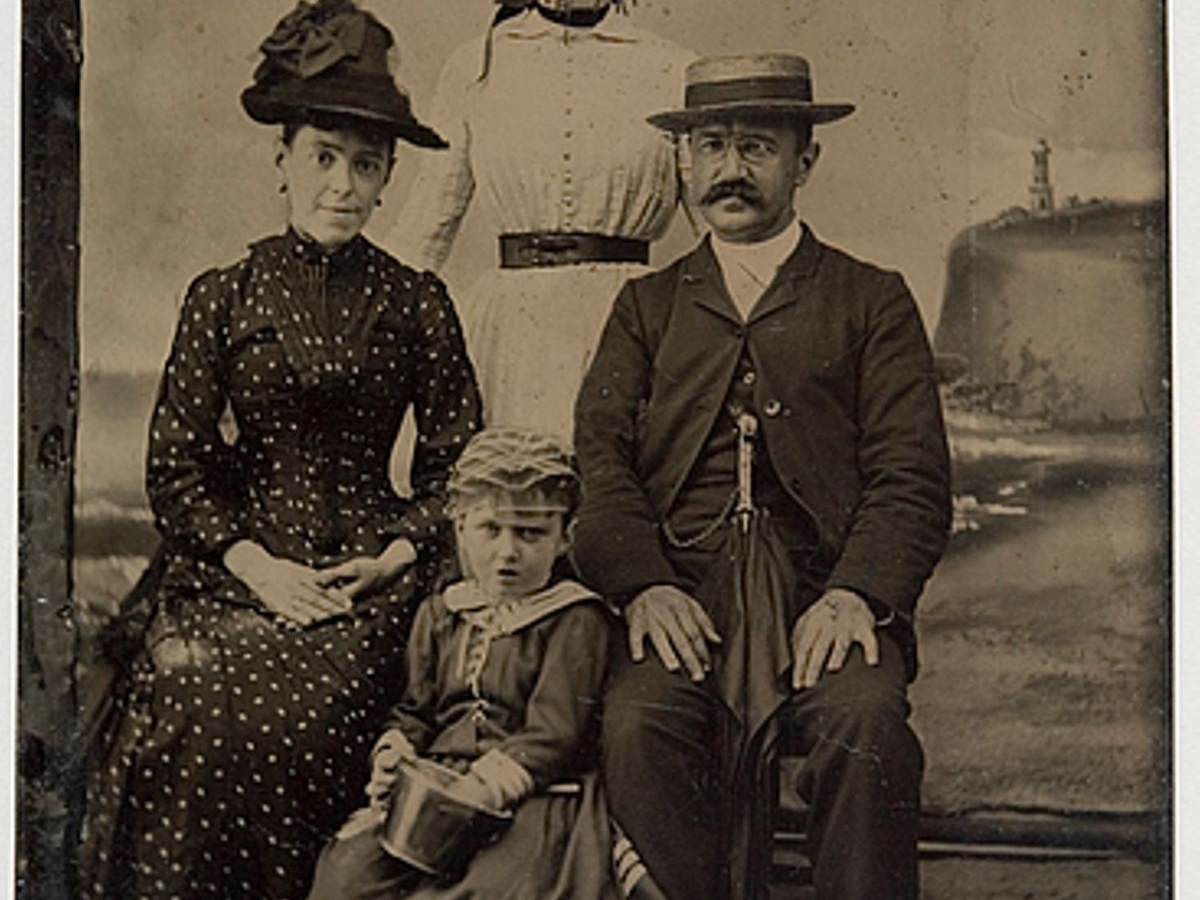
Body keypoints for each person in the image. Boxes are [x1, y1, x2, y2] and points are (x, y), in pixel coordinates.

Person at [80, 3, 482, 897]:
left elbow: (457, 467)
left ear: (387, 180)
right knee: (186, 693)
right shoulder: (222, 295)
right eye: (323, 158)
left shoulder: (418, 303)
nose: (342, 185)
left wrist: (395, 556)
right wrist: (257, 567)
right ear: (283, 159)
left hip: (365, 582)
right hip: (237, 568)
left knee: (299, 717)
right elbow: (176, 468)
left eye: (366, 165)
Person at [573, 54, 953, 900]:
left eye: (757, 147)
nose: (730, 169)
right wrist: (644, 587)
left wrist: (856, 593)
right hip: (685, 598)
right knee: (637, 723)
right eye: (711, 146)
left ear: (804, 161)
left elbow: (912, 476)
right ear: (686, 161)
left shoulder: (871, 299)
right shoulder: (646, 306)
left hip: (824, 597)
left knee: (865, 724)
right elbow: (600, 465)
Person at [306, 428, 617, 900]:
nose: (508, 552)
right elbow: (415, 710)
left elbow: (554, 733)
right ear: (461, 529)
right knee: (345, 874)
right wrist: (395, 753)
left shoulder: (574, 619)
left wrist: (482, 788)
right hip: (435, 788)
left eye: (531, 533)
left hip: (529, 790)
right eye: (490, 529)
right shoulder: (443, 612)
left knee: (484, 889)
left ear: (563, 539)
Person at [385, 0, 694, 444]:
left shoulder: (673, 68)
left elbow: (721, 229)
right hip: (510, 336)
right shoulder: (474, 67)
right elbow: (425, 227)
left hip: (630, 324)